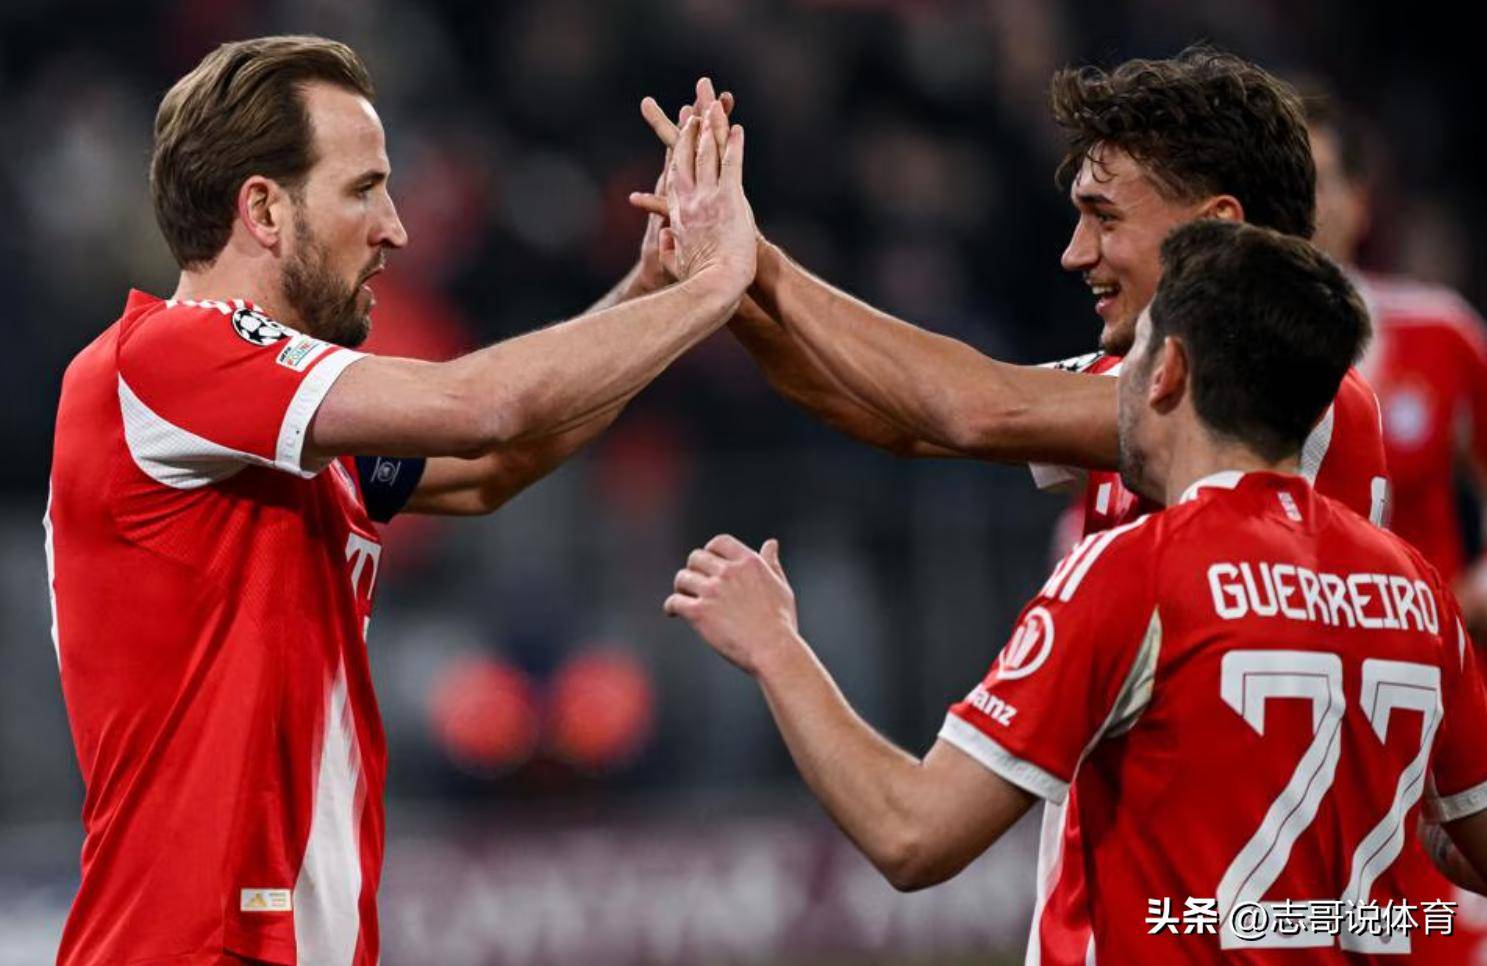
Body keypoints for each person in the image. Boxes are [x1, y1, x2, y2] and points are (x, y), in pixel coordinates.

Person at [45, 36, 752, 965]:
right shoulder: (165, 357)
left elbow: (495, 465)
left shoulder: (282, 425)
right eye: (364, 190)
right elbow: (480, 407)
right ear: (263, 209)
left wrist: (650, 285)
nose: (396, 228)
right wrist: (716, 286)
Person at [666, 219, 1487, 962]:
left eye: (1132, 358)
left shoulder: (1136, 570)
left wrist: (774, 645)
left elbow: (912, 833)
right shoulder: (1414, 589)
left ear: (1166, 372)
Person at [629, 49, 1390, 535]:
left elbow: (975, 409)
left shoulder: (1277, 389)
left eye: (1105, 218)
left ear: (1216, 228)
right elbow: (893, 416)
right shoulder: (1146, 381)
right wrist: (726, 287)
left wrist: (756, 261)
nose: (1073, 254)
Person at [1309, 95, 1487, 636]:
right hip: (1295, 662)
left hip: (1433, 663)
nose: (1298, 204)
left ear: (1358, 200)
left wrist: (1467, 601)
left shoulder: (1442, 333)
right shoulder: (1214, 347)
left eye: (1315, 181)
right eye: (1276, 183)